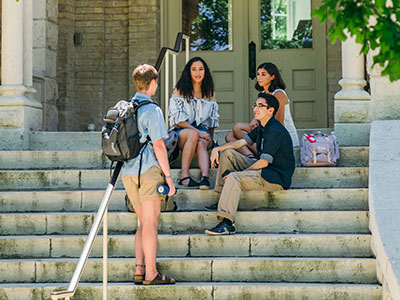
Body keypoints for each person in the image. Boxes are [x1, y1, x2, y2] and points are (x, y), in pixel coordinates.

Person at [205, 93, 295, 235]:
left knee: (234, 178)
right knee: (228, 154)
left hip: (274, 177)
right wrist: (218, 148)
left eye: (260, 106)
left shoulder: (276, 131)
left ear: (270, 110)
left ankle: (227, 223)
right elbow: (241, 142)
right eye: (255, 105)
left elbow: (264, 162)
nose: (255, 109)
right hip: (263, 170)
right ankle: (223, 195)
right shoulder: (261, 127)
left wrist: (239, 174)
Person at [122, 64, 176, 285]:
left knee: (142, 222)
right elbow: (160, 146)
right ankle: (151, 273)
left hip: (128, 172)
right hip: (148, 171)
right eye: (156, 82)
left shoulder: (127, 107)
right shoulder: (152, 110)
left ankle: (139, 268)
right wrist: (169, 178)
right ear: (152, 83)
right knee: (151, 223)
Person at [225, 62, 299, 158]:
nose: (259, 77)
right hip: (266, 132)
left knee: (238, 127)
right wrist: (255, 120)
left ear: (272, 77)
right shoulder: (263, 94)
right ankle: (251, 157)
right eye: (258, 74)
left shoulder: (278, 94)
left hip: (281, 138)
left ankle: (261, 153)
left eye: (263, 74)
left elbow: (279, 123)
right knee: (230, 136)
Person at [168, 57, 219, 189]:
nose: (198, 73)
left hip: (202, 131)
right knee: (193, 135)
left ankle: (205, 178)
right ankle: (184, 176)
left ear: (205, 72)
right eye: (194, 69)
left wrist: (210, 139)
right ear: (188, 72)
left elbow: (212, 120)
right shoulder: (179, 91)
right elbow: (177, 120)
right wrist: (198, 132)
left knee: (202, 143)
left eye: (201, 69)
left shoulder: (210, 93)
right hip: (182, 132)